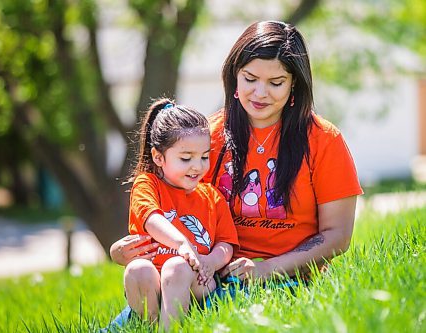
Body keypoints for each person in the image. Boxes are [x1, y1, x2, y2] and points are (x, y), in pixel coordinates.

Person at [107, 19, 362, 327]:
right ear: (234, 76)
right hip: (203, 277)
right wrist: (128, 250)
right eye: (250, 78)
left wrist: (266, 269)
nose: (260, 92)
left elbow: (338, 236)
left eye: (276, 82)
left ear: (294, 82)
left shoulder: (324, 140)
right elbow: (166, 206)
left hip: (287, 280)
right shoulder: (206, 138)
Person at [118, 98, 239, 330]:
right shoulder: (148, 184)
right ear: (158, 157)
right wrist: (182, 243)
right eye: (186, 158)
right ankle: (150, 325)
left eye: (204, 156)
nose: (198, 166)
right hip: (154, 284)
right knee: (137, 269)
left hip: (197, 284)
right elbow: (151, 218)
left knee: (176, 267)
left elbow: (226, 243)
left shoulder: (211, 196)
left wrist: (210, 262)